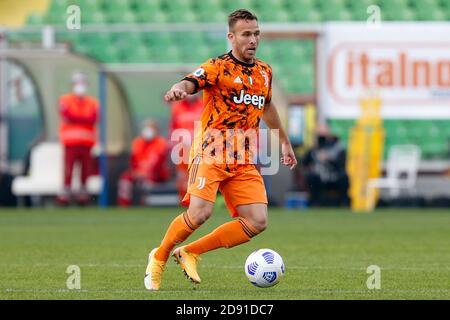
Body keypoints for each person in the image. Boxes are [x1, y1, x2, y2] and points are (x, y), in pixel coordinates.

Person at [144, 9, 297, 291]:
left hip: (244, 159)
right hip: (211, 153)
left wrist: (284, 141)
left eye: (256, 34)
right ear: (231, 37)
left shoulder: (264, 72)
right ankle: (160, 256)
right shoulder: (217, 66)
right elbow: (192, 81)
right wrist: (180, 88)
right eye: (246, 34)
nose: (253, 40)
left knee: (257, 221)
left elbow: (267, 106)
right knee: (200, 213)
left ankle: (190, 252)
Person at [57, 71, 98, 206]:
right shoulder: (65, 99)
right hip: (70, 143)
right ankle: (65, 196)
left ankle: (83, 195)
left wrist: (77, 118)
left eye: (82, 83)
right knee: (69, 169)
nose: (80, 86)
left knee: (85, 170)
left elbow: (93, 118)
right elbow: (67, 115)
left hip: (86, 143)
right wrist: (82, 119)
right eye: (77, 83)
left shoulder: (92, 102)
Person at [117, 120, 171, 207]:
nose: (148, 130)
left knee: (147, 182)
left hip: (157, 175)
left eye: (151, 127)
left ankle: (145, 204)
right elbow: (133, 161)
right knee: (125, 179)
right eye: (146, 127)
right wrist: (137, 172)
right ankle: (124, 205)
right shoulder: (137, 142)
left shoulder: (161, 142)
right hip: (139, 173)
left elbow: (156, 164)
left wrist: (145, 173)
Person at [302, 124, 349, 207]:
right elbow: (304, 162)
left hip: (334, 176)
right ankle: (314, 203)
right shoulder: (314, 149)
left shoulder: (337, 147)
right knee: (312, 177)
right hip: (319, 177)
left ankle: (343, 202)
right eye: (320, 135)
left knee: (344, 177)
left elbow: (342, 164)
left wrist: (328, 159)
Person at [168, 93, 204, 200]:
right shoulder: (177, 107)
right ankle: (184, 199)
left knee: (199, 173)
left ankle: (198, 199)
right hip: (182, 147)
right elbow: (173, 126)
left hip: (200, 146)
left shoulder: (203, 105)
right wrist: (172, 143)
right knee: (183, 175)